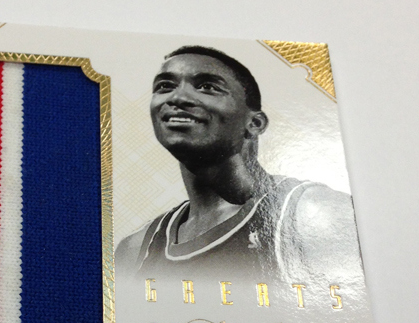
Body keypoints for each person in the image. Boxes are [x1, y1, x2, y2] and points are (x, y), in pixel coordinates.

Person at [116, 45, 363, 284]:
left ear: (254, 123)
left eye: (207, 87)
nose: (177, 97)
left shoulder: (316, 215)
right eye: (165, 86)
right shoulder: (135, 250)